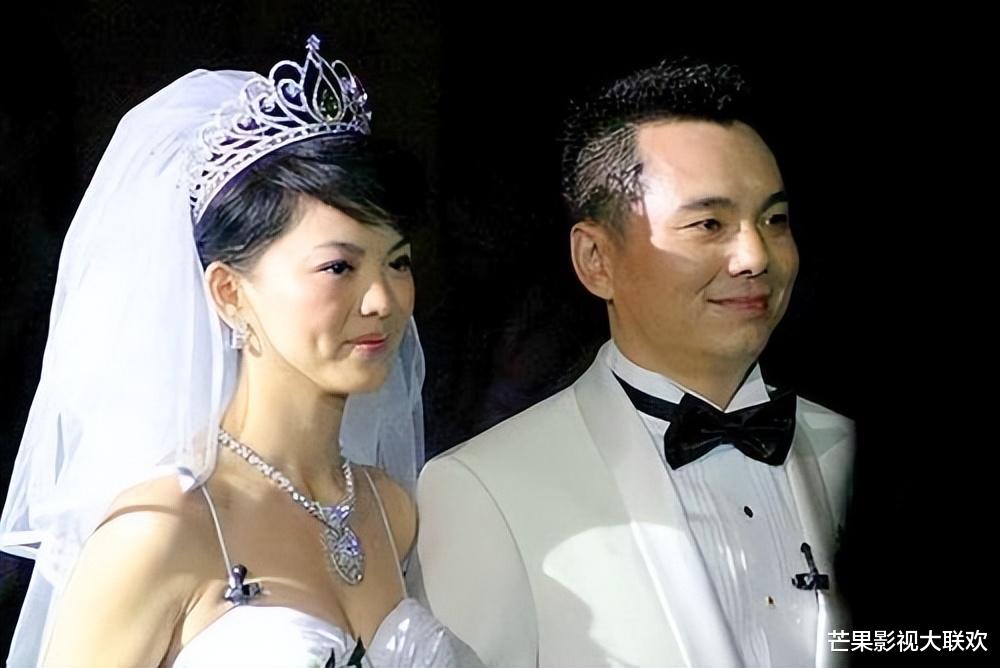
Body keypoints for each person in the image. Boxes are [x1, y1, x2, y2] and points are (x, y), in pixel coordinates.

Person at [0, 35, 481, 667]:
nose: (381, 300)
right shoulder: (159, 529)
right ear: (229, 292)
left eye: (398, 262)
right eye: (338, 267)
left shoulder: (389, 509)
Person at [414, 59, 854, 667]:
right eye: (709, 224)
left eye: (774, 220)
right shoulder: (484, 488)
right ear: (596, 259)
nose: (754, 255)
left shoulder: (847, 451)